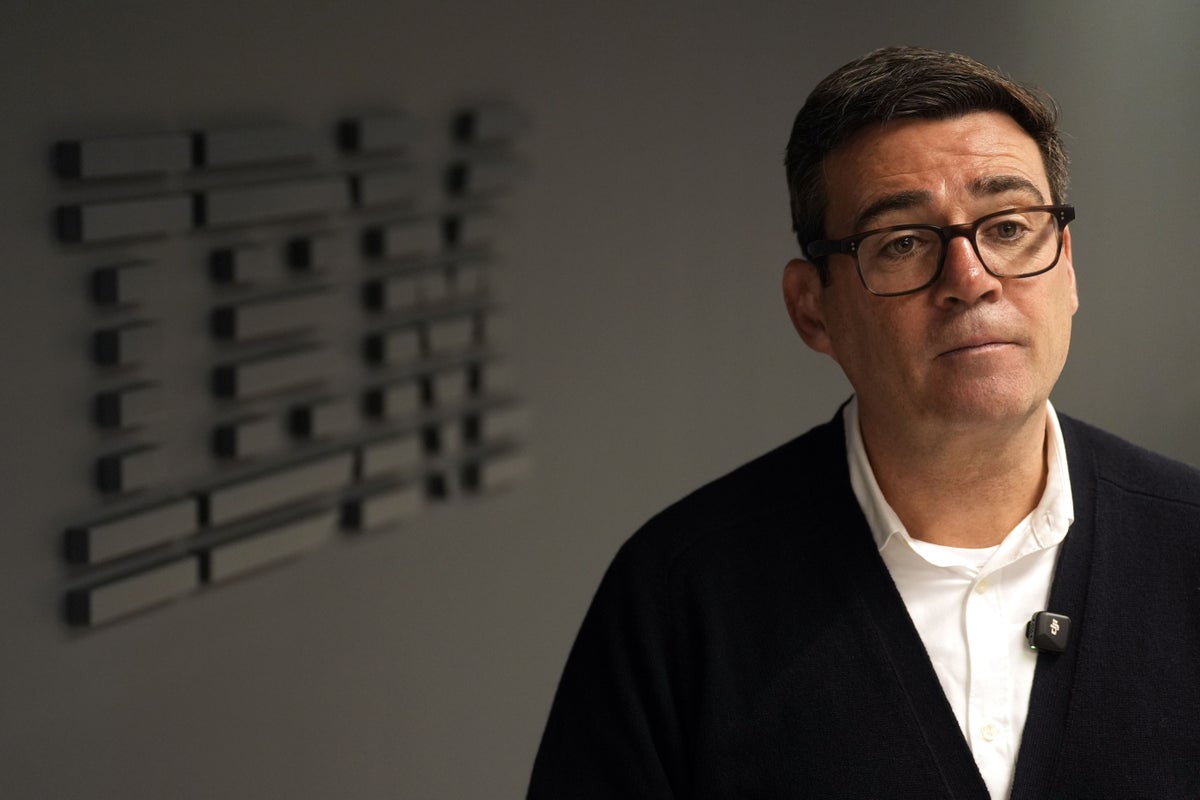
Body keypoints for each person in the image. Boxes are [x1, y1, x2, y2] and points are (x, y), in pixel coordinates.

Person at [527, 46, 1200, 799]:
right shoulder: (681, 595)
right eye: (903, 243)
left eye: (1009, 227)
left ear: (1067, 265)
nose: (971, 280)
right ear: (812, 308)